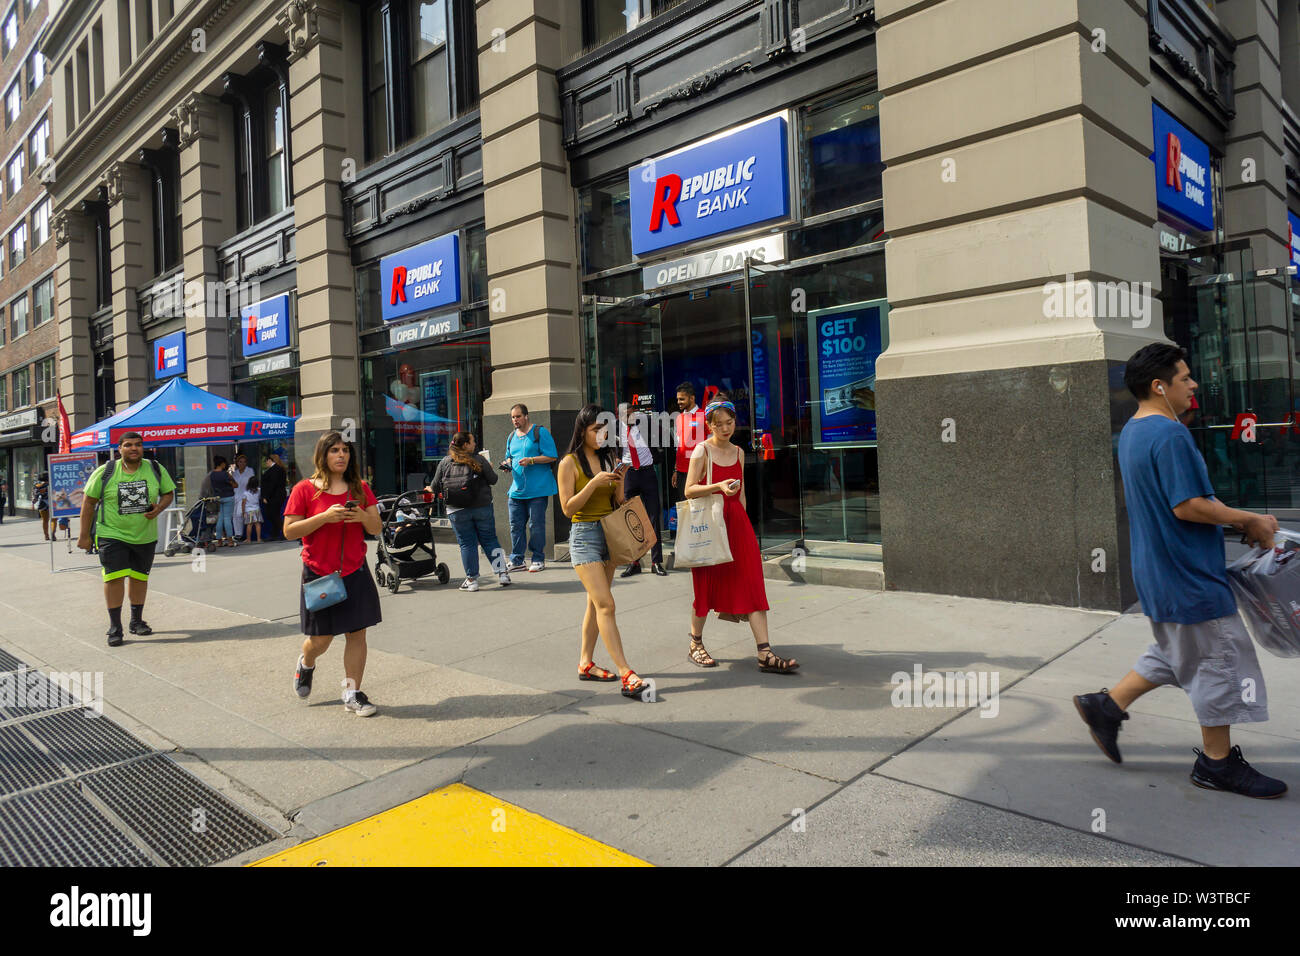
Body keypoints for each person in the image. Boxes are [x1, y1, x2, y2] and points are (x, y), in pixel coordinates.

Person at [1075, 343, 1285, 798]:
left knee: (1178, 652)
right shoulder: (1169, 435)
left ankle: (1106, 707)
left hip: (1159, 572)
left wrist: (1239, 520)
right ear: (1159, 385)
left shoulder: (1135, 430)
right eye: (1185, 378)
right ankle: (1217, 765)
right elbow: (1188, 506)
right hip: (1187, 575)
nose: (1193, 385)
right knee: (1220, 663)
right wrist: (1249, 519)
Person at [683, 396, 798, 673]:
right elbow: (688, 490)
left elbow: (743, 493)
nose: (725, 428)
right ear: (709, 425)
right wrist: (717, 486)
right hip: (710, 526)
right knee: (706, 588)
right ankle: (695, 642)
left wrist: (745, 527)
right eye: (719, 424)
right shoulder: (702, 451)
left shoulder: (739, 452)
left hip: (737, 523)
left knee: (752, 583)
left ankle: (765, 653)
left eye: (730, 422)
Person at [284, 431, 384, 717]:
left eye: (345, 450)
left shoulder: (360, 488)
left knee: (357, 635)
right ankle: (306, 663)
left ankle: (352, 692)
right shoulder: (304, 489)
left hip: (354, 570)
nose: (341, 455)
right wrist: (324, 517)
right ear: (323, 455)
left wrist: (363, 517)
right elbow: (289, 530)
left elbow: (376, 527)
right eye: (335, 450)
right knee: (321, 641)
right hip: (318, 573)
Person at [557, 404, 651, 700]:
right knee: (606, 605)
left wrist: (619, 484)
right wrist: (594, 483)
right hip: (584, 537)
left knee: (594, 604)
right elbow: (567, 508)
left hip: (610, 532)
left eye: (605, 428)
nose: (602, 433)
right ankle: (626, 673)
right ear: (582, 430)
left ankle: (585, 663)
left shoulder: (609, 456)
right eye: (596, 429)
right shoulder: (569, 463)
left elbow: (618, 502)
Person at [77, 433, 176, 646]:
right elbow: (88, 502)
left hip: (144, 535)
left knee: (140, 578)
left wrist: (158, 508)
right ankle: (115, 627)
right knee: (114, 578)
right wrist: (84, 535)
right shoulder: (105, 472)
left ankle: (136, 621)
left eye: (138, 445)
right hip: (112, 534)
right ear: (119, 448)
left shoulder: (156, 469)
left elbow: (168, 493)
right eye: (128, 445)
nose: (134, 448)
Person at [427, 431, 510, 592]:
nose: (475, 444)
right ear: (465, 445)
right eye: (472, 441)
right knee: (490, 539)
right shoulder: (479, 459)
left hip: (456, 510)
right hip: (482, 507)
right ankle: (502, 574)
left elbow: (435, 486)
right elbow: (493, 479)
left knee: (467, 544)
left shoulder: (445, 462)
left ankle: (472, 580)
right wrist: (489, 468)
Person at [503, 404, 558, 573]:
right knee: (515, 525)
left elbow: (552, 456)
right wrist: (506, 465)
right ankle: (517, 559)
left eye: (518, 416)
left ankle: (538, 559)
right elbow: (509, 457)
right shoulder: (511, 436)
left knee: (536, 525)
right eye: (513, 417)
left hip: (538, 489)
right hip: (517, 490)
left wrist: (532, 460)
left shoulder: (540, 432)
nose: (515, 420)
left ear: (526, 416)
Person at [618, 403, 666, 577]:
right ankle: (635, 562)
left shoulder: (647, 423)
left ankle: (656, 562)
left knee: (653, 517)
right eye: (625, 415)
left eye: (631, 414)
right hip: (629, 474)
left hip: (647, 473)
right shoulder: (615, 428)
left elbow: (664, 435)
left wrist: (657, 454)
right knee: (631, 519)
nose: (629, 418)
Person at [671, 382, 707, 535]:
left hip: (698, 471)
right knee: (685, 509)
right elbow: (679, 446)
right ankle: (690, 542)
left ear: (692, 398)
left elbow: (710, 445)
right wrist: (675, 470)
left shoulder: (703, 416)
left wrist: (705, 468)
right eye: (678, 399)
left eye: (682, 399)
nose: (678, 402)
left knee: (699, 509)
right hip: (681, 471)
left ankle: (702, 541)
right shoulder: (678, 418)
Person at [208, 456, 237, 548]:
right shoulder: (225, 474)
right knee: (227, 518)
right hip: (228, 496)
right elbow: (235, 485)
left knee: (220, 519)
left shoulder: (212, 474)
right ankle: (230, 541)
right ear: (222, 464)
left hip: (218, 498)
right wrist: (230, 476)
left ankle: (219, 541)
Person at [261, 451, 288, 541]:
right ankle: (275, 533)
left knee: (273, 515)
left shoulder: (275, 470)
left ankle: (282, 533)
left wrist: (266, 496)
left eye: (266, 461)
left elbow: (272, 485)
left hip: (274, 497)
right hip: (277, 496)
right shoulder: (279, 469)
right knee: (273, 515)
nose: (265, 463)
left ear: (270, 460)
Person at [230, 453, 254, 540]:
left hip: (245, 496)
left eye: (244, 462)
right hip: (235, 496)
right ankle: (237, 534)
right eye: (240, 462)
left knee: (240, 514)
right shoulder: (235, 473)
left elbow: (252, 483)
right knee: (234, 516)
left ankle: (241, 533)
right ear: (237, 463)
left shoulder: (250, 471)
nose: (242, 463)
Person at [241, 473, 263, 543]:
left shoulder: (245, 493)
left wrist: (243, 512)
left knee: (249, 525)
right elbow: (259, 498)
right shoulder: (259, 490)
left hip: (248, 510)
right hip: (257, 509)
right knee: (257, 524)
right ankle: (259, 539)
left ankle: (248, 539)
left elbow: (243, 503)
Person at [33, 474, 51, 540]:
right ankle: (53, 534)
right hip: (52, 504)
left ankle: (46, 535)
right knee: (53, 519)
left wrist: (34, 500)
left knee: (45, 520)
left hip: (41, 505)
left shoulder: (36, 485)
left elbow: (35, 496)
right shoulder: (51, 484)